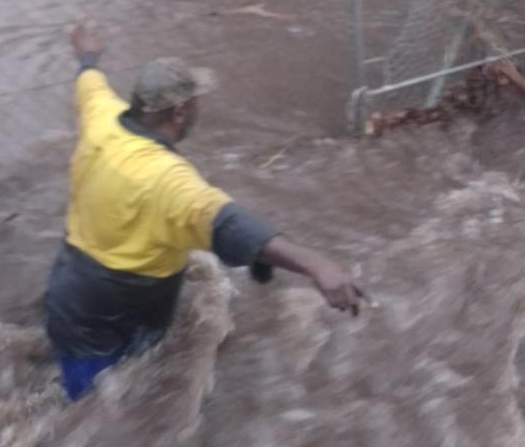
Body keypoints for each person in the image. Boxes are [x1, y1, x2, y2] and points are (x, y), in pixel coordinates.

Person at [45, 24, 366, 402]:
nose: (199, 108)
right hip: (117, 308)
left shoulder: (102, 115)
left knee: (87, 398)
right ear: (180, 111)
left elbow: (89, 79)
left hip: (67, 286)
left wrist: (87, 54)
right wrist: (316, 264)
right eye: (196, 101)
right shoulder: (167, 178)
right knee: (103, 409)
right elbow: (229, 223)